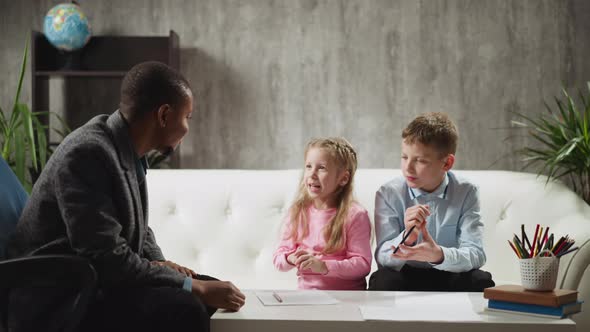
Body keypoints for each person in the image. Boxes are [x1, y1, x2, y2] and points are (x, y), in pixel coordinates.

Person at [6, 61, 245, 332]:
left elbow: (138, 229)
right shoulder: (88, 154)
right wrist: (190, 286)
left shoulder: (126, 150)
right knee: (187, 307)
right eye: (187, 117)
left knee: (209, 290)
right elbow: (107, 258)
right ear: (164, 115)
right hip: (61, 295)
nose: (187, 128)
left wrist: (163, 263)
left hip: (96, 278)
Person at [369, 112, 495, 292]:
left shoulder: (466, 192)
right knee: (382, 279)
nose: (408, 168)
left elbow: (476, 253)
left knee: (480, 280)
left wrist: (439, 255)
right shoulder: (388, 193)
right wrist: (407, 237)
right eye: (404, 157)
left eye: (420, 160)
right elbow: (383, 257)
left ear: (447, 163)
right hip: (406, 274)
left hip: (449, 271)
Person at [273, 137, 372, 290]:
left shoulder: (355, 214)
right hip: (307, 297)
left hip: (348, 298)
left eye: (322, 168)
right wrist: (290, 258)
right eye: (308, 166)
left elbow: (362, 264)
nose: (312, 174)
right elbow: (279, 258)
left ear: (343, 178)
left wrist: (324, 266)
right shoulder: (298, 212)